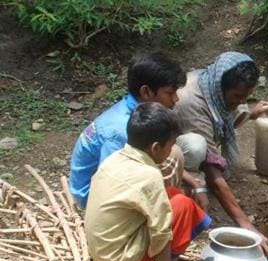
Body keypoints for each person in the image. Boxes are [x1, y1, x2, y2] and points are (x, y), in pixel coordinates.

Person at [85, 102, 212, 261]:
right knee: (182, 204)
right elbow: (160, 235)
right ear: (155, 147)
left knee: (172, 195)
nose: (172, 151)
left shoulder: (115, 158)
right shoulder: (149, 176)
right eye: (171, 146)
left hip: (104, 254)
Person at [172, 52, 268, 257]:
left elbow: (224, 117)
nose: (240, 101)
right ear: (222, 86)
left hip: (190, 129)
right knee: (196, 146)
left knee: (231, 111)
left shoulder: (214, 83)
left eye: (246, 96)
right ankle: (188, 189)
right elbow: (212, 169)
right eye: (237, 96)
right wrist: (246, 224)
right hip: (166, 152)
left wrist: (250, 113)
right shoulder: (193, 103)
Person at [69, 52, 196, 208]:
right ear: (146, 92)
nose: (175, 99)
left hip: (107, 180)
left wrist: (194, 182)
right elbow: (108, 183)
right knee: (170, 157)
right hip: (91, 196)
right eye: (170, 93)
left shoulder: (138, 115)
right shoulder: (120, 132)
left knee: (173, 152)